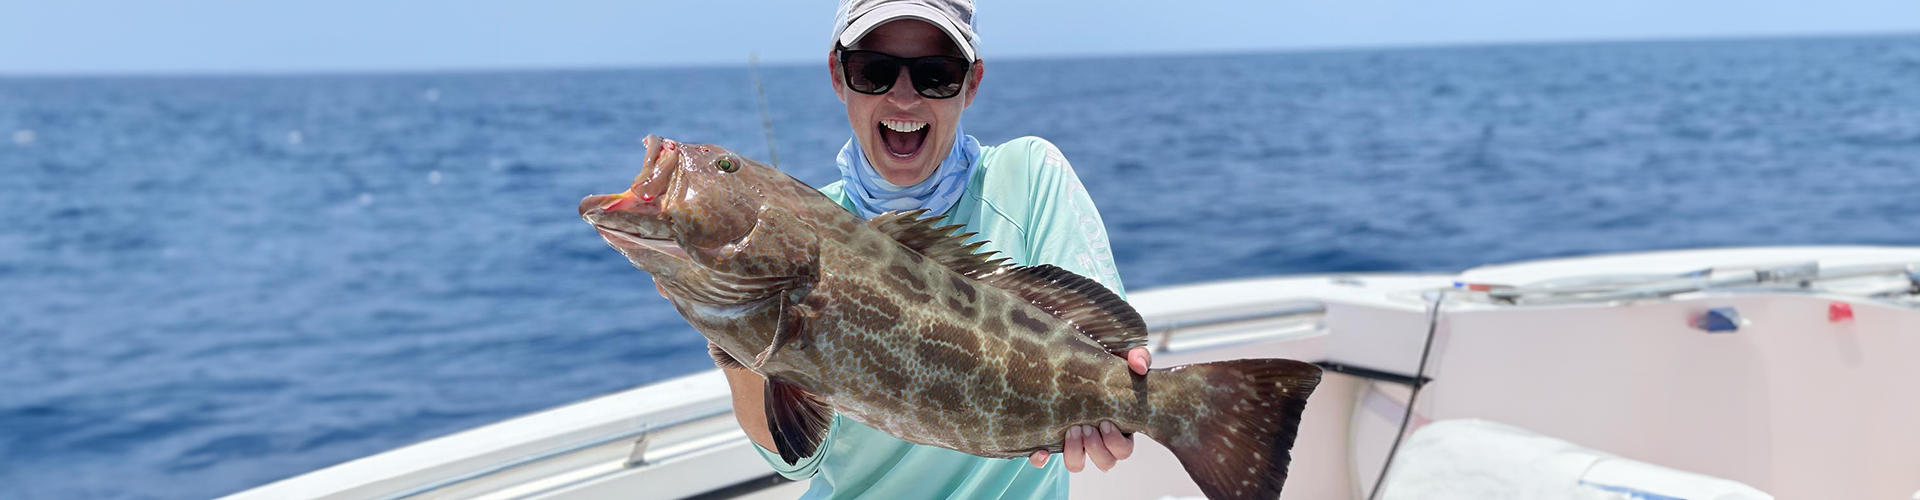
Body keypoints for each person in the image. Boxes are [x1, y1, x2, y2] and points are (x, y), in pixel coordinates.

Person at [712, 1, 1149, 497]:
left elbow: (1110, 352)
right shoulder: (803, 232)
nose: (903, 98)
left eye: (936, 75)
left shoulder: (1026, 177)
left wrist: (1125, 403)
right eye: (873, 70)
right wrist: (736, 336)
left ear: (972, 84)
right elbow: (799, 460)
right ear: (838, 75)